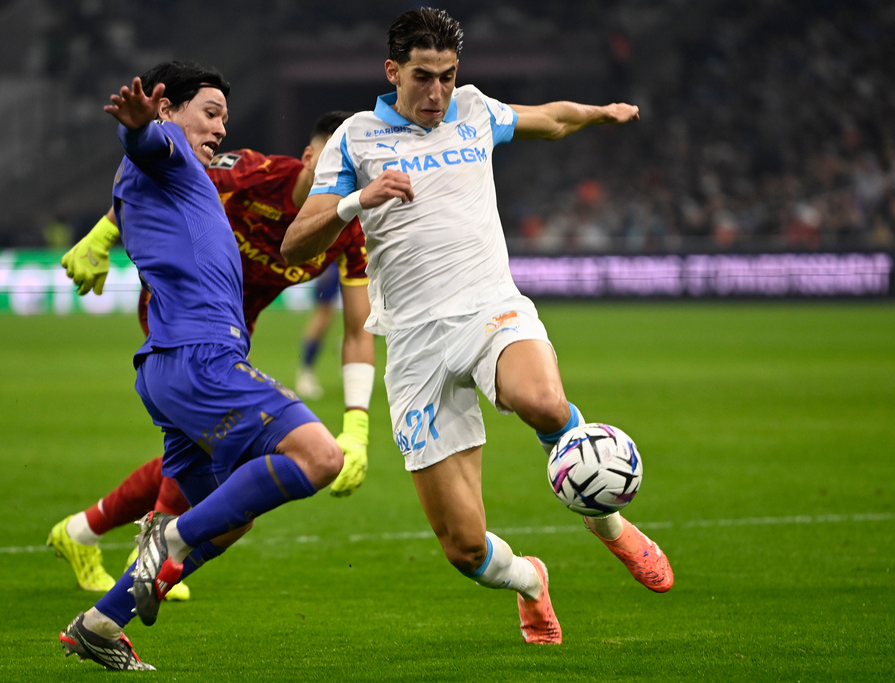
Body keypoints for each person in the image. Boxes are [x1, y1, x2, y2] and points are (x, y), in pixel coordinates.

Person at [281, 8, 673, 646]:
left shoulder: (473, 109)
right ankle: (531, 581)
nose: (437, 92)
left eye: (447, 75)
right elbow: (296, 243)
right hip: (414, 344)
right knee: (464, 548)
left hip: (490, 308)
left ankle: (609, 524)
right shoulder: (354, 138)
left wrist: (599, 113)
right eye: (422, 76)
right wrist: (357, 200)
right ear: (392, 71)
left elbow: (551, 119)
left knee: (544, 402)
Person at [58, 60, 344, 671]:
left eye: (224, 117)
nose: (220, 128)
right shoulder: (168, 153)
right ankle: (169, 534)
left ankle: (101, 624)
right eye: (210, 113)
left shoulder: (163, 175)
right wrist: (139, 126)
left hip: (167, 367)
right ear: (168, 108)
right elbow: (148, 141)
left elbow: (147, 154)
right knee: (321, 457)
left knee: (231, 519)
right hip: (202, 358)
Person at [294, 262, 341, 400]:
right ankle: (306, 372)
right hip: (333, 262)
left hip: (360, 260)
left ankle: (347, 347)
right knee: (323, 315)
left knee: (372, 316)